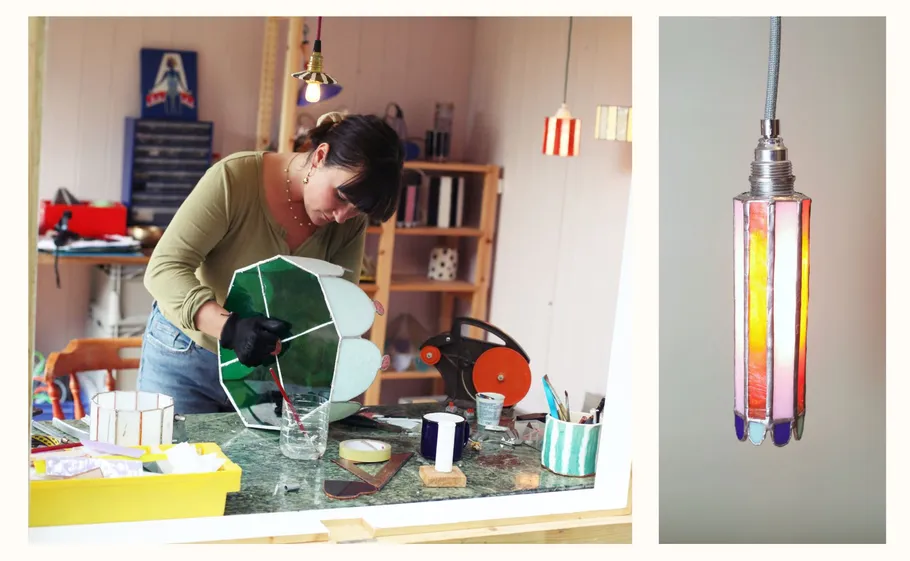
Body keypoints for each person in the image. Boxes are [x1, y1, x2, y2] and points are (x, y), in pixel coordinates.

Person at [137, 111, 403, 414]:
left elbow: (332, 302)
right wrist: (230, 328)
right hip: (189, 357)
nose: (343, 216)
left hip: (267, 370)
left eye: (357, 209)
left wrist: (351, 342)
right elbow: (163, 269)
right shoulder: (234, 179)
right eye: (341, 196)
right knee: (172, 460)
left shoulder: (349, 221)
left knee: (253, 463)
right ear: (320, 156)